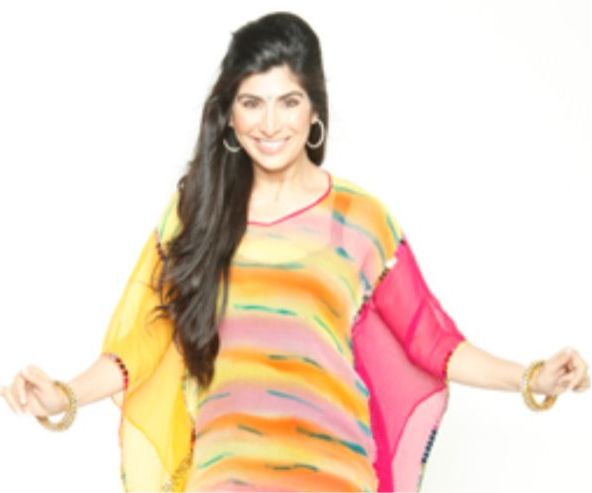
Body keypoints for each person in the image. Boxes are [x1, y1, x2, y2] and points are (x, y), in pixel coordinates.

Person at [1, 11, 589, 493]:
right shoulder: (198, 214)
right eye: (251, 102)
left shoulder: (362, 220)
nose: (269, 123)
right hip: (224, 475)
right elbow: (149, 338)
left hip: (334, 475)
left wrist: (532, 376)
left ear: (314, 110)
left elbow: (431, 341)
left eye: (288, 101)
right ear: (229, 115)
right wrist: (65, 393)